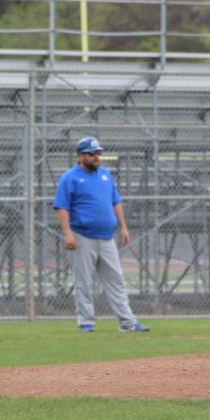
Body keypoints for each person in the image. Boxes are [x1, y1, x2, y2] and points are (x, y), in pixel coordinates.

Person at [53, 137, 150, 333]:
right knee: (84, 281)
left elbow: (116, 202)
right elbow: (62, 207)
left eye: (98, 153)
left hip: (107, 236)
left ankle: (127, 322)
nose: (96, 157)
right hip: (82, 236)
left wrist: (123, 227)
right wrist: (68, 234)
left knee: (116, 280)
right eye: (91, 154)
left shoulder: (105, 175)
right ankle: (86, 322)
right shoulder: (70, 177)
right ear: (81, 156)